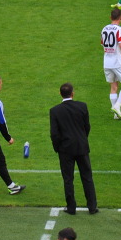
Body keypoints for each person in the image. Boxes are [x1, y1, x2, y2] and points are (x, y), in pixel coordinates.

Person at [49, 83, 97, 215]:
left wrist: (57, 148)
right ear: (72, 93)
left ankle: (71, 208)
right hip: (81, 146)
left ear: (60, 94)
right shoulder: (82, 106)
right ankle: (92, 207)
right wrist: (82, 139)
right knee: (87, 177)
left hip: (65, 149)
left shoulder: (55, 110)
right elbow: (87, 126)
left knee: (68, 179)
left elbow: (54, 133)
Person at [101, 8, 121, 119]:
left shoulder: (104, 29)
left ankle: (116, 114)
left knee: (113, 87)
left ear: (110, 17)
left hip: (107, 62)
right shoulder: (119, 30)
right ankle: (117, 107)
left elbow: (102, 44)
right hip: (118, 62)